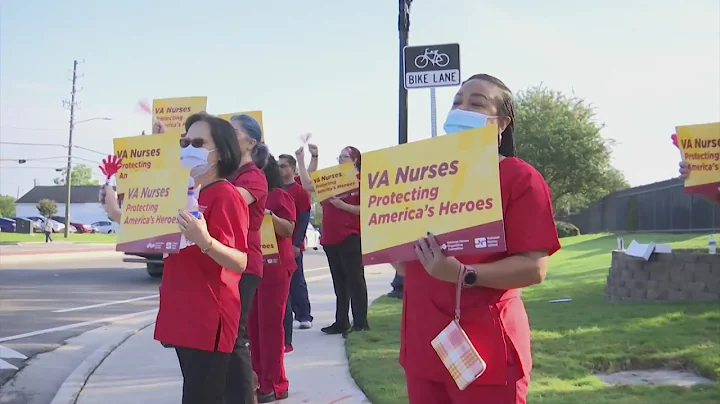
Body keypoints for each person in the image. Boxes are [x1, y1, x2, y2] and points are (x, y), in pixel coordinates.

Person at [395, 74, 561, 404]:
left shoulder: (519, 178)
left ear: (502, 125)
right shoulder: (421, 180)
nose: (462, 108)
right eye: (457, 101)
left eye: (477, 103)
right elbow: (403, 265)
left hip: (485, 350)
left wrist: (463, 274)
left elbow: (534, 268)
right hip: (423, 346)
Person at [100, 112, 250, 404]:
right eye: (184, 142)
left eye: (197, 142)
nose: (187, 149)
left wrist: (205, 241)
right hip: (182, 311)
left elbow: (239, 261)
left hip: (210, 316)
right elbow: (154, 237)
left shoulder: (226, 196)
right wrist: (118, 215)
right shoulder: (183, 193)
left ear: (220, 152)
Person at [296, 144, 369, 338]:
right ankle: (341, 321)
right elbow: (307, 185)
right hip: (330, 238)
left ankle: (361, 323)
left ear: (355, 160)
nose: (340, 160)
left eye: (345, 157)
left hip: (351, 236)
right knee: (339, 283)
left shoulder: (361, 181)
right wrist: (305, 159)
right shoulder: (332, 180)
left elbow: (367, 209)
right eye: (339, 156)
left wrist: (343, 205)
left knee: (355, 281)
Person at [225, 114, 269, 403]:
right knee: (226, 337)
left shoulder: (253, 177)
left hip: (244, 264)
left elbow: (227, 201)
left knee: (233, 337)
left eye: (233, 131)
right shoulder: (227, 173)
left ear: (251, 142)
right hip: (226, 261)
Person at [247, 153, 297, 403]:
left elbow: (288, 228)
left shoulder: (279, 195)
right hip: (252, 265)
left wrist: (268, 214)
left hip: (275, 268)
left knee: (269, 326)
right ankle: (257, 379)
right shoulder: (243, 193)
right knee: (253, 327)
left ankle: (276, 383)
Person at [278, 154, 313, 351]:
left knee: (297, 280)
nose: (280, 169)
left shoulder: (299, 192)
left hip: (293, 244)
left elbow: (304, 218)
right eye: (278, 166)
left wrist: (297, 243)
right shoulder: (274, 189)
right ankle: (287, 316)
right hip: (276, 246)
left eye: (283, 166)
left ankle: (304, 315)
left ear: (292, 168)